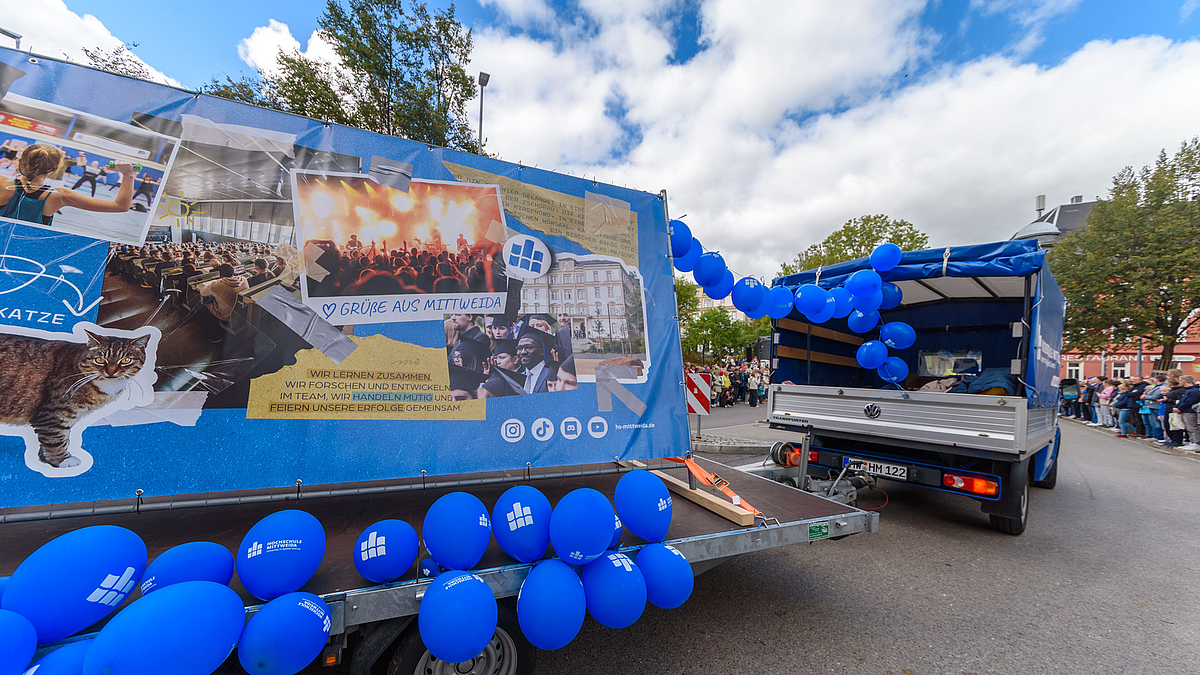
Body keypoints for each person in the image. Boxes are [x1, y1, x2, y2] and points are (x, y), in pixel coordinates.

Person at [0, 145, 136, 228]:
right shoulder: (61, 196)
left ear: (20, 161)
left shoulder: (2, 183)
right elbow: (121, 206)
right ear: (54, 169)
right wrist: (128, 175)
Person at [197, 263, 249, 343]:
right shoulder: (243, 279)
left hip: (226, 314)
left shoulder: (218, 285)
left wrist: (213, 284)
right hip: (242, 311)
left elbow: (203, 292)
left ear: (220, 274)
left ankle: (215, 336)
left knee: (200, 310)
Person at [1175, 375, 1199, 451]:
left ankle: (1196, 443)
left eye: (1180, 380)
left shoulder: (1194, 391)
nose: (1179, 382)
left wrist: (1179, 408)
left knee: (1192, 427)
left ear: (1184, 381)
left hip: (1190, 411)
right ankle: (1192, 442)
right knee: (1188, 428)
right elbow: (1183, 400)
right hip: (1185, 411)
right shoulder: (1187, 390)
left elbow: (1189, 402)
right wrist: (1177, 407)